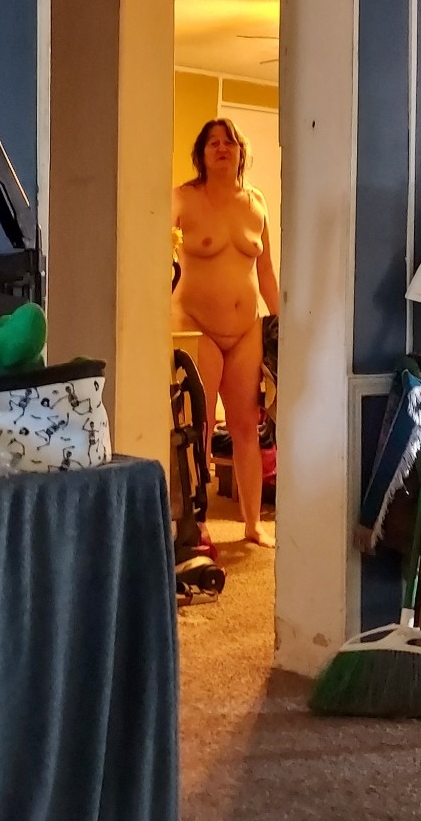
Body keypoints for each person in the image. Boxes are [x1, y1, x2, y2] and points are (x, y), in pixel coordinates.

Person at [171, 118, 279, 548]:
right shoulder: (183, 198)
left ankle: (252, 524)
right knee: (196, 427)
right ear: (201, 153)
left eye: (229, 142)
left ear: (240, 152)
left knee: (245, 428)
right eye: (212, 142)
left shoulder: (256, 203)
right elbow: (156, 254)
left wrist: (283, 324)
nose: (221, 148)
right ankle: (195, 521)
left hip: (246, 329)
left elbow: (266, 273)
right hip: (196, 324)